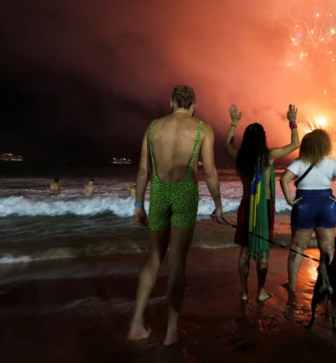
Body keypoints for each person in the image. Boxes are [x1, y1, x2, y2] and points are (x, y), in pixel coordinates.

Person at [128, 85, 226, 345]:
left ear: (171, 102)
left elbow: (142, 171)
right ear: (194, 105)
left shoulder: (152, 128)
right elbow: (210, 172)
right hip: (185, 195)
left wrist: (138, 206)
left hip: (159, 194)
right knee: (177, 263)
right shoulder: (203, 129)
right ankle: (171, 332)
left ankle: (136, 324)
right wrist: (218, 205)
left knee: (154, 257)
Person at [226, 104, 300, 302]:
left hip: (245, 206)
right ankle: (260, 292)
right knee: (263, 250)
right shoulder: (269, 155)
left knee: (244, 249)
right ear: (263, 139)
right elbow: (295, 145)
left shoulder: (240, 156)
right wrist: (292, 122)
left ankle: (243, 292)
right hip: (264, 207)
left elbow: (228, 144)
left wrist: (233, 124)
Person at [280, 129, 336, 300]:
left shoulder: (299, 162)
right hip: (326, 206)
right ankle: (326, 283)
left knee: (297, 248)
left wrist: (290, 200)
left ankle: (291, 287)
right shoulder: (331, 163)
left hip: (304, 205)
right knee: (327, 249)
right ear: (324, 145)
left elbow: (284, 179)